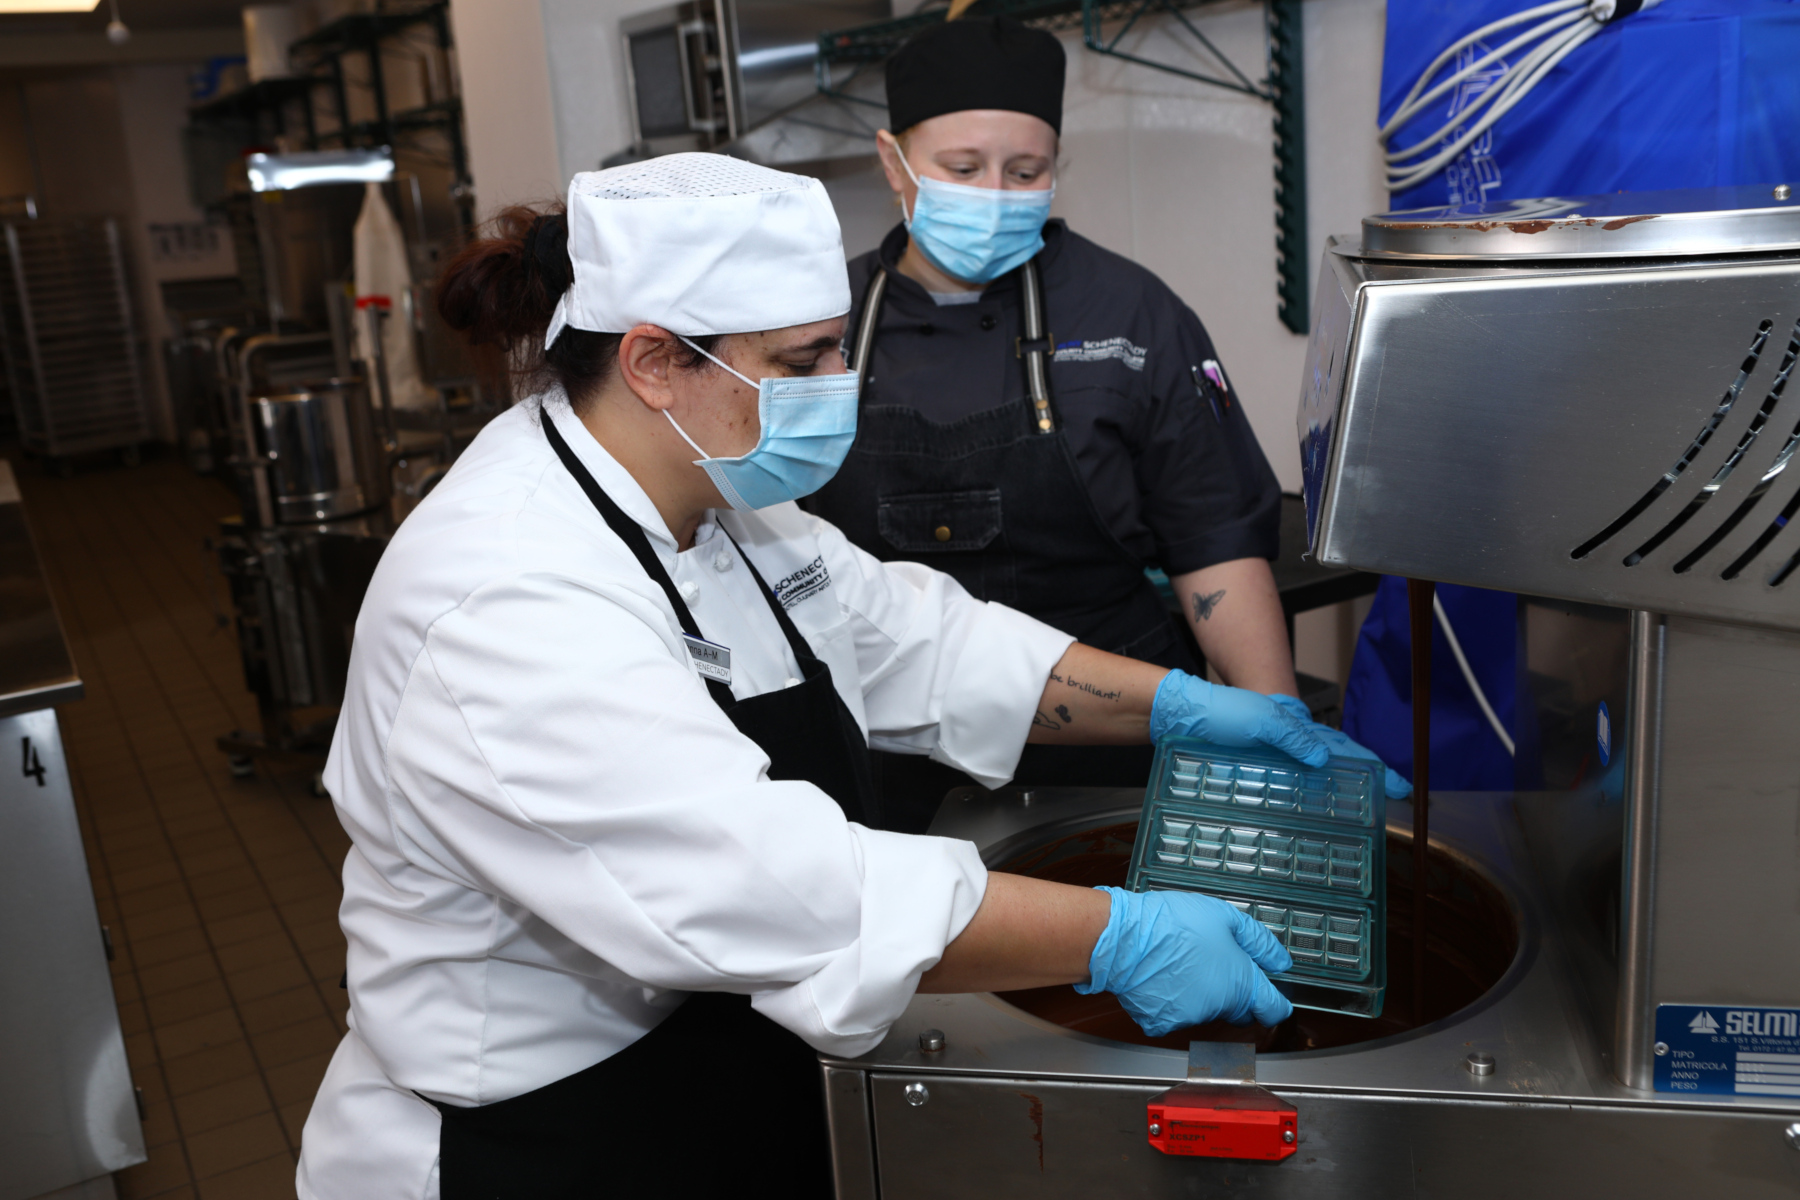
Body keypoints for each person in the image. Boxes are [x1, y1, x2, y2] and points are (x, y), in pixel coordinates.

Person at [294, 153, 1336, 1200]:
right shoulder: (505, 593)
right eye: (801, 361)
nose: (842, 381)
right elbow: (766, 882)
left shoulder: (718, 500)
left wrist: (1190, 710)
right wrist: (1121, 934)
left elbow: (920, 640)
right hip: (540, 1133)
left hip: (715, 1070)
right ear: (655, 361)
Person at [803, 16, 1408, 827]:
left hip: (1115, 748)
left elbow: (1215, 549)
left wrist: (1273, 721)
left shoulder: (1130, 310)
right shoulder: (816, 330)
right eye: (962, 167)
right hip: (890, 758)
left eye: (1026, 171)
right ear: (894, 161)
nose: (993, 195)